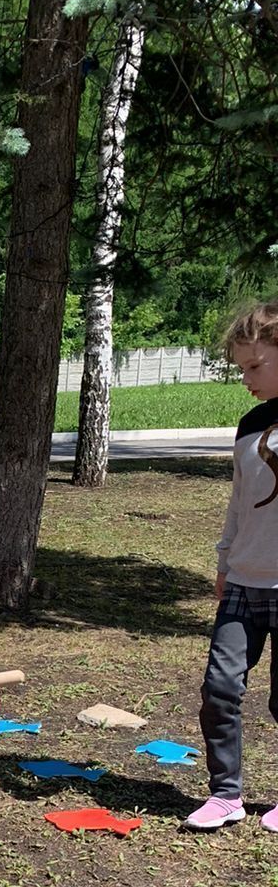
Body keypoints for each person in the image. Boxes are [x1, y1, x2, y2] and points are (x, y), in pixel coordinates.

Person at [186, 298, 278, 831]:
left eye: (255, 366)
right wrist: (225, 561)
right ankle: (226, 795)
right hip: (244, 581)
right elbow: (240, 501)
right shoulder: (250, 425)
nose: (246, 377)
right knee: (220, 688)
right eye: (241, 367)